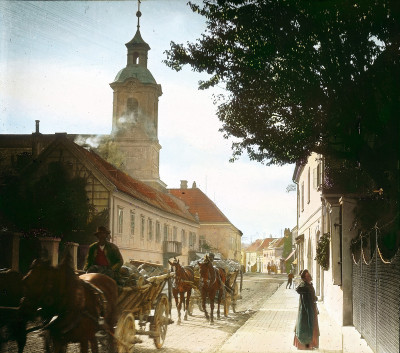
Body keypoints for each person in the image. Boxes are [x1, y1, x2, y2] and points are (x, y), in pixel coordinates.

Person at [294, 269, 319, 350]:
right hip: (306, 310)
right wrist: (309, 311)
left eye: (309, 275)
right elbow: (305, 301)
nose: (309, 277)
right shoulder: (304, 286)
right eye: (307, 276)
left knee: (312, 326)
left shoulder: (309, 285)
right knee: (306, 327)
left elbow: (312, 296)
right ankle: (306, 346)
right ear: (304, 278)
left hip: (311, 308)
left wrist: (314, 298)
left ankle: (311, 345)